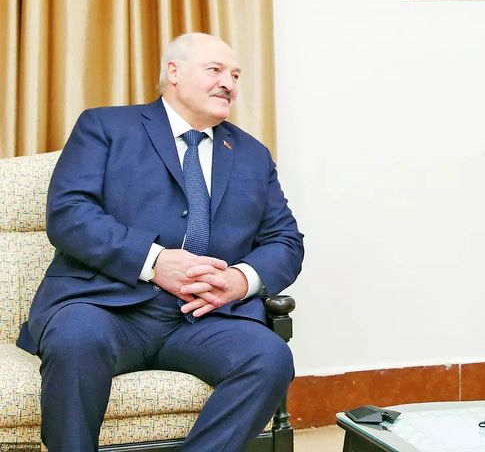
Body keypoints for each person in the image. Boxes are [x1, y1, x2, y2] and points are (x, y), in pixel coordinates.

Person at [16, 33, 305, 451]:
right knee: (75, 339)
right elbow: (69, 214)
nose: (228, 83)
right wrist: (153, 262)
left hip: (204, 318)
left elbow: (286, 240)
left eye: (235, 75)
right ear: (174, 72)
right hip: (106, 306)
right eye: (215, 70)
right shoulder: (105, 127)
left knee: (270, 358)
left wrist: (240, 280)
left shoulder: (251, 154)